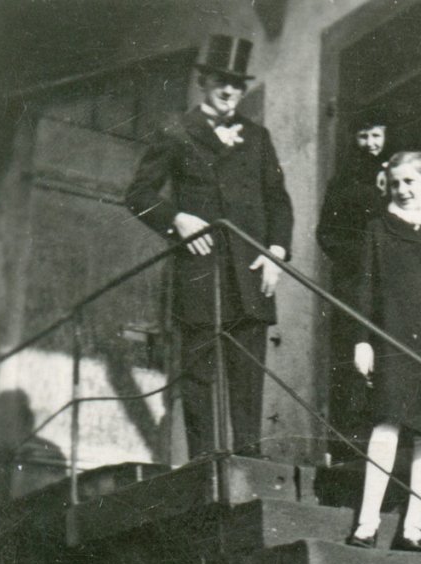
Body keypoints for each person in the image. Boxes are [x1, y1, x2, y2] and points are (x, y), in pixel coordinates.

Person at [126, 34, 293, 459]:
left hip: (251, 272)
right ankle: (202, 465)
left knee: (247, 376)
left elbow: (278, 200)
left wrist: (276, 253)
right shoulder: (177, 131)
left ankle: (249, 466)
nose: (229, 91)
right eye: (221, 81)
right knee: (198, 374)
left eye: (237, 84)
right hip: (200, 269)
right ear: (204, 82)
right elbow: (139, 195)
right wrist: (176, 219)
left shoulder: (257, 137)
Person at [346, 151, 421, 551]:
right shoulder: (378, 228)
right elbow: (364, 288)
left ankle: (413, 528)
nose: (402, 189)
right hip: (395, 338)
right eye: (395, 183)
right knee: (387, 424)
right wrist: (362, 339)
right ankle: (367, 523)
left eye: (410, 181)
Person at [315, 111, 389, 456]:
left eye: (376, 135)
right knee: (351, 360)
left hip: (390, 282)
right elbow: (326, 234)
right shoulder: (342, 181)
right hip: (354, 280)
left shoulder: (397, 175)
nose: (371, 144)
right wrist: (361, 256)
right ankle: (348, 449)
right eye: (364, 136)